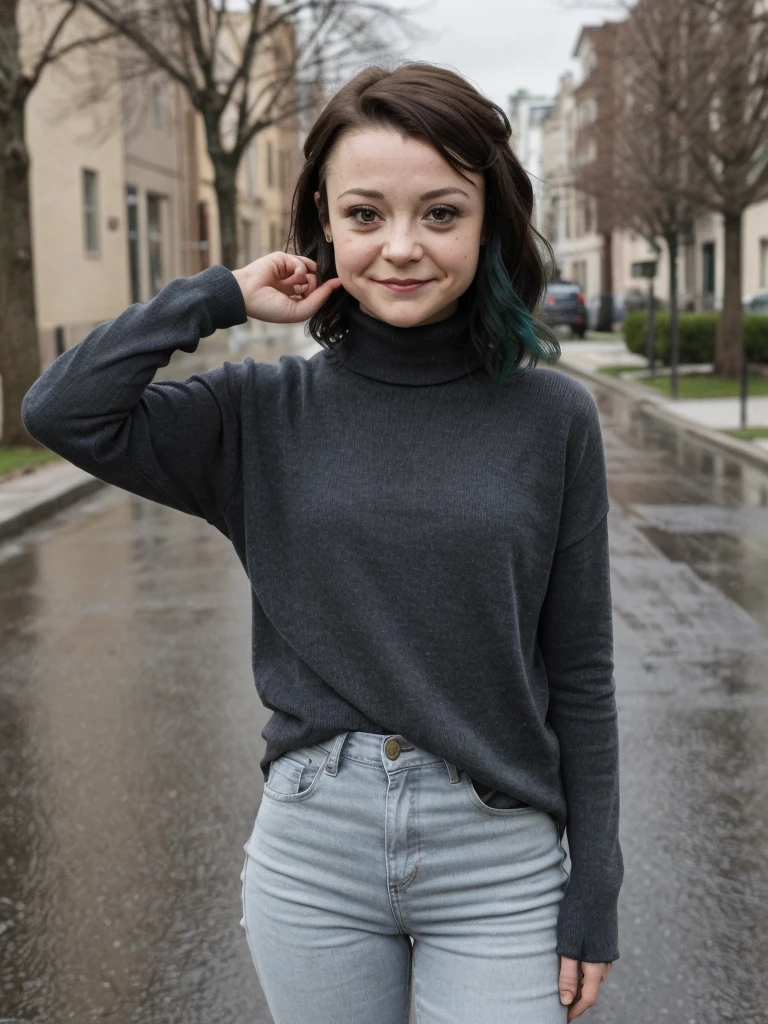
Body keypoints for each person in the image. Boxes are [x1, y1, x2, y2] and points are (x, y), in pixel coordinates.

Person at [21, 61, 622, 1024]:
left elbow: (582, 671)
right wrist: (217, 296)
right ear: (325, 223)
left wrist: (594, 886)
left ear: (489, 223)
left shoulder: (553, 419)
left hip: (498, 857)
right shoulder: (259, 413)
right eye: (366, 213)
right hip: (316, 855)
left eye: (440, 213)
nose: (401, 247)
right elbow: (63, 411)